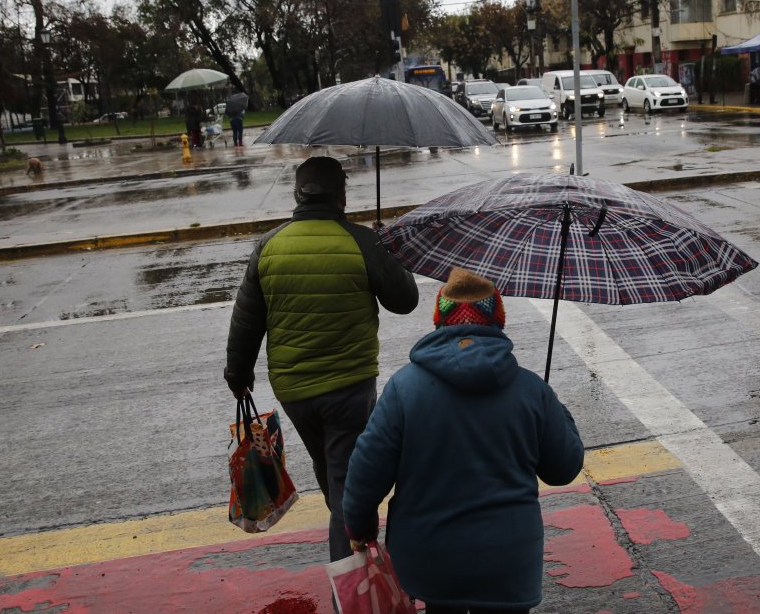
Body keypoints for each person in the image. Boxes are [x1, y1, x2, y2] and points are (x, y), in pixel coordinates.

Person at [342, 268, 585, 614]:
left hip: (429, 556)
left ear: (439, 320)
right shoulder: (531, 390)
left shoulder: (403, 389)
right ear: (497, 319)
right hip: (508, 558)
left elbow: (366, 470)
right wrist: (555, 406)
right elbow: (563, 468)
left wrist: (360, 526)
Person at [223, 155, 419, 561]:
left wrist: (238, 374)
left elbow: (246, 320)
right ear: (342, 196)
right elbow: (405, 301)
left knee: (331, 469)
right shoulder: (361, 241)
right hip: (350, 387)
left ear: (297, 195)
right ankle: (349, 579)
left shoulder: (270, 246)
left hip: (294, 391)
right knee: (346, 480)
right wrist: (388, 250)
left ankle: (347, 530)